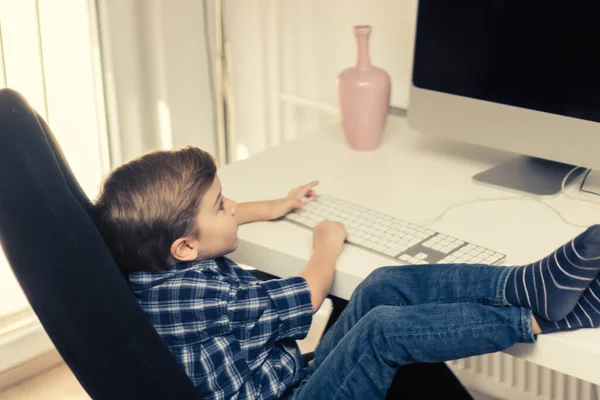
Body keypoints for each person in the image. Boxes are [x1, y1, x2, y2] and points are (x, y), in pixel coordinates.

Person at [93, 146, 600, 400]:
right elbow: (307, 298)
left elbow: (206, 226)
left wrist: (273, 206)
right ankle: (538, 322)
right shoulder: (203, 298)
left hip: (293, 379)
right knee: (381, 331)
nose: (233, 209)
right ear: (186, 245)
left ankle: (527, 285)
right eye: (222, 206)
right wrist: (325, 245)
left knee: (383, 284)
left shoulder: (158, 262)